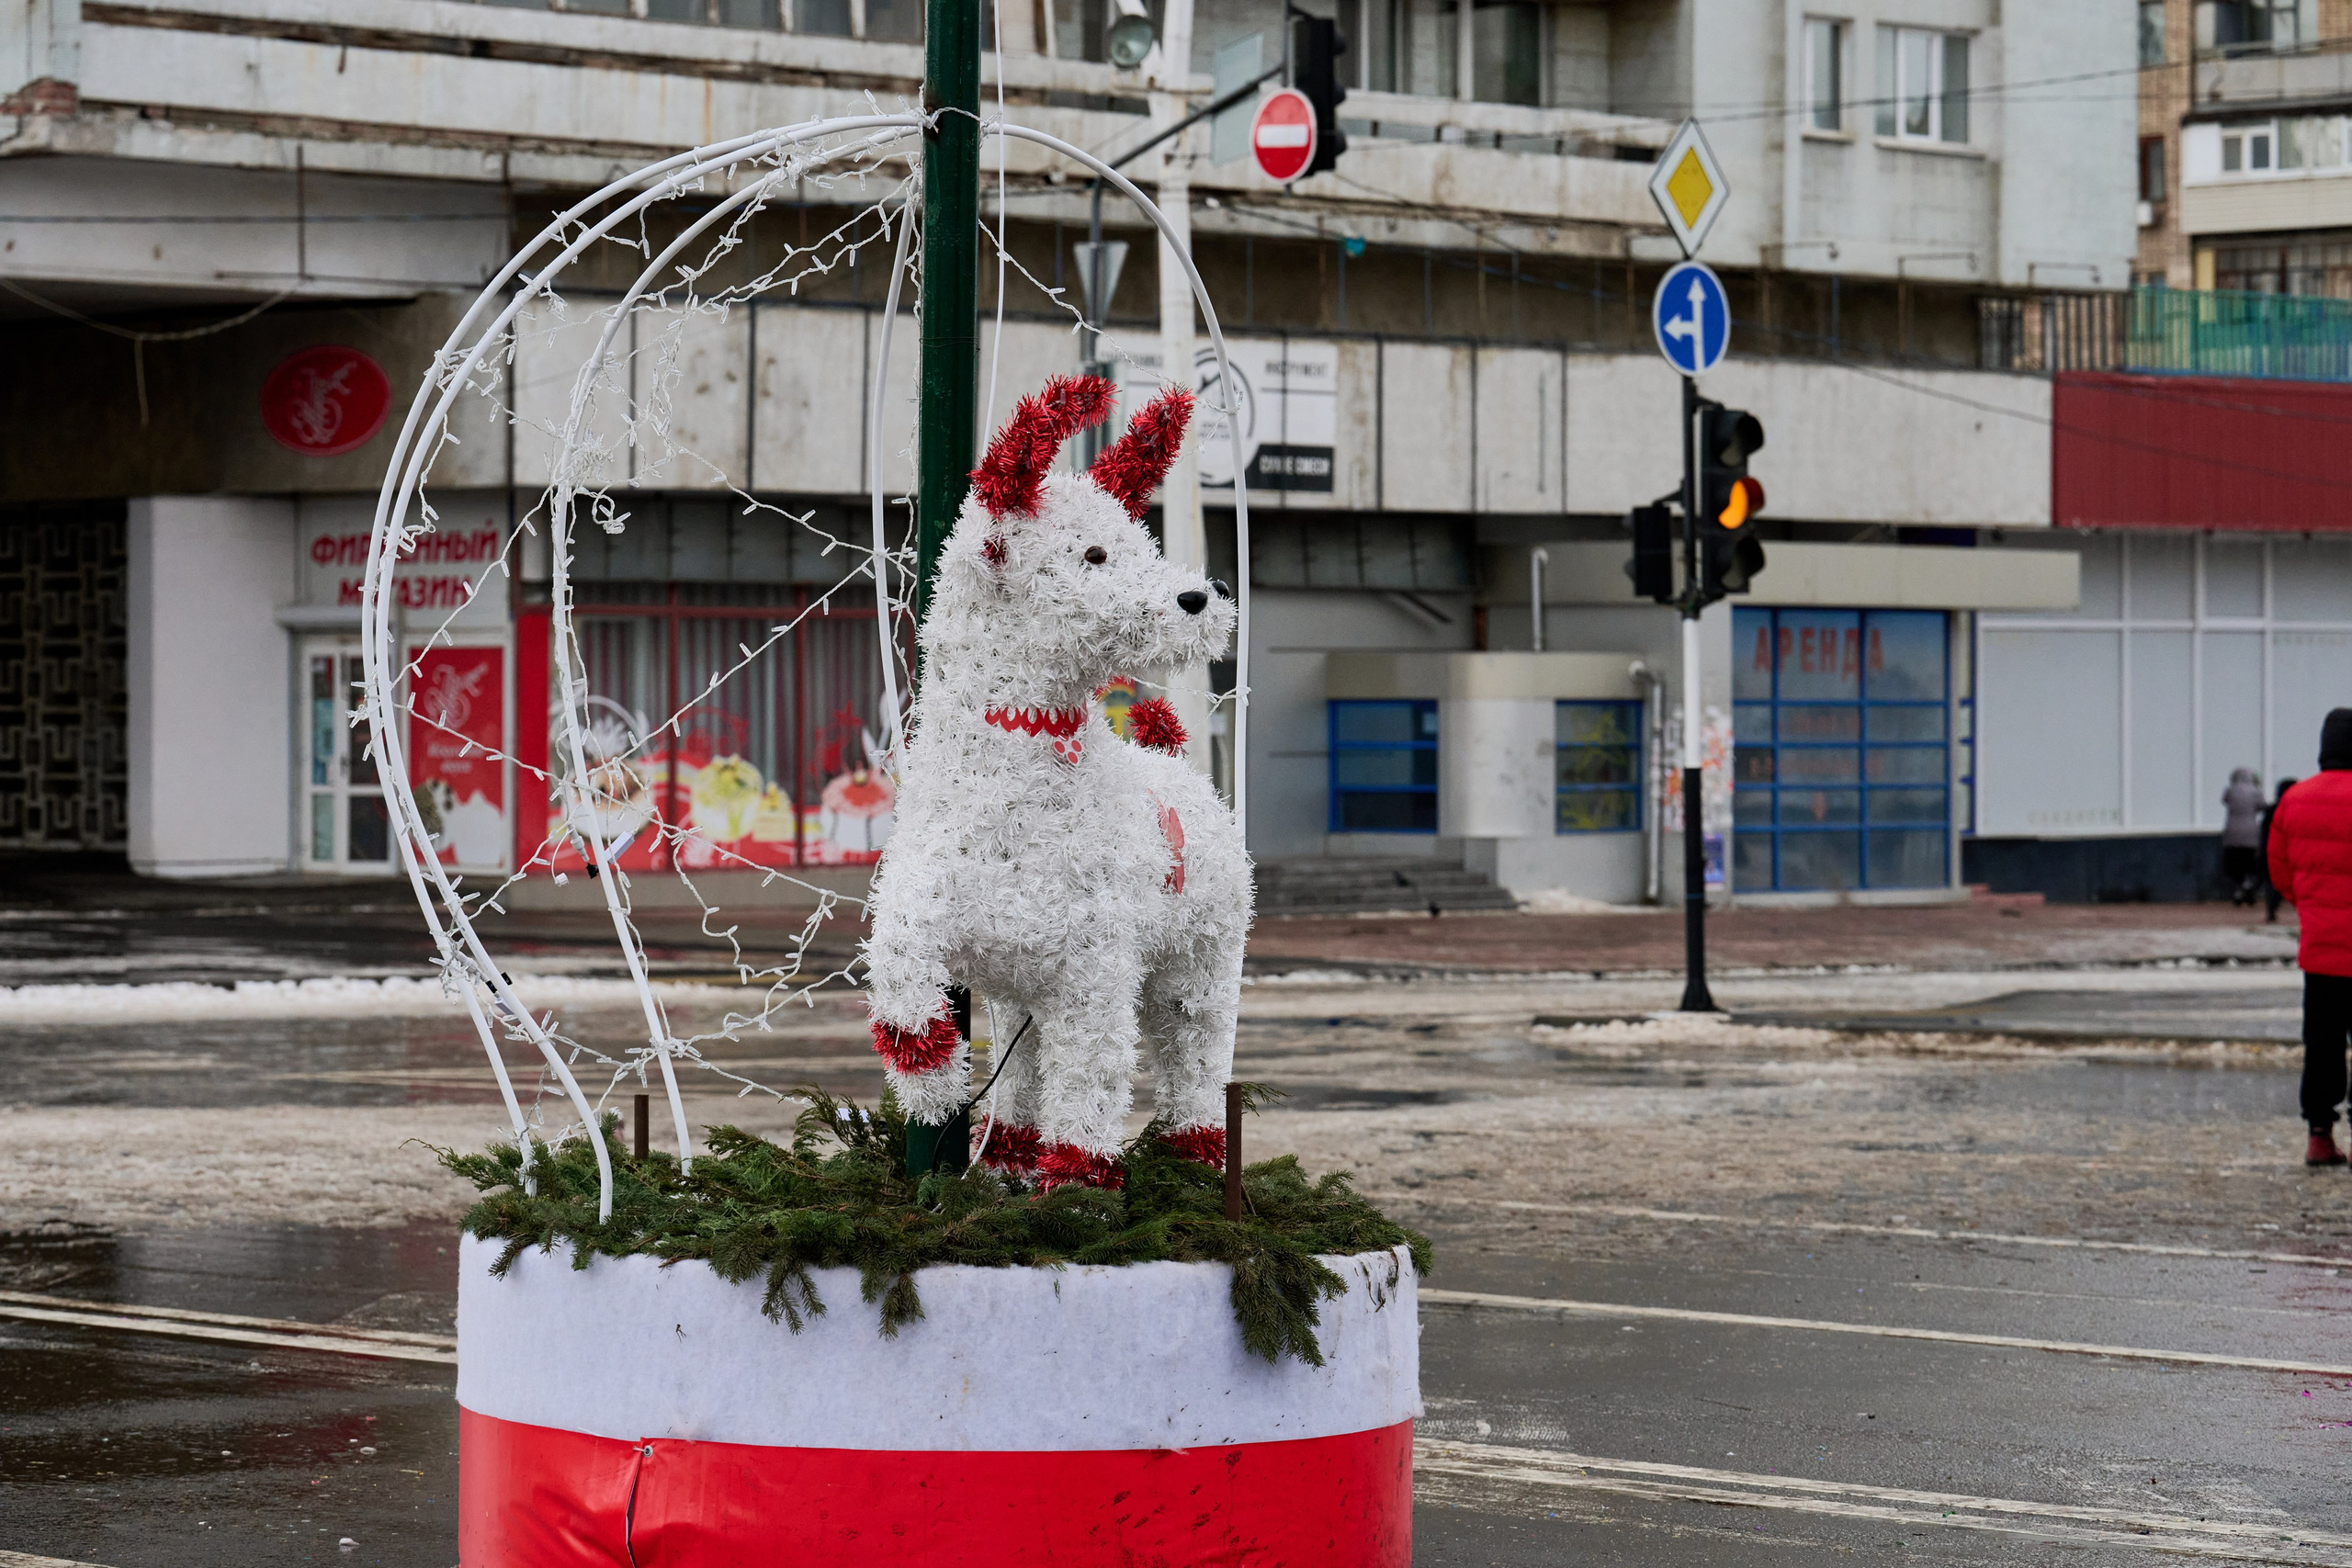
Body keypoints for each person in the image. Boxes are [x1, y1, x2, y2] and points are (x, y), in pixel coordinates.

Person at [2267, 710, 2352, 1168]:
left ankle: (2320, 1134)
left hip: (2320, 950)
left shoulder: (2294, 800)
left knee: (2322, 1042)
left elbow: (2281, 873)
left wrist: (2314, 904)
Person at [2222, 766, 2265, 906]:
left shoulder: (2230, 790)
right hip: (2250, 832)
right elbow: (2261, 806)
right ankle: (2248, 884)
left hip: (2232, 832)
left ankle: (2238, 889)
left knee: (2234, 862)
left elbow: (2225, 801)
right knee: (2250, 861)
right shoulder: (2256, 791)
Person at [2263, 777, 2298, 923]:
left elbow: (2264, 832)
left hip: (2272, 851)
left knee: (2273, 883)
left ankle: (2271, 909)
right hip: (2293, 852)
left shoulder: (2272, 809)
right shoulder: (2295, 809)